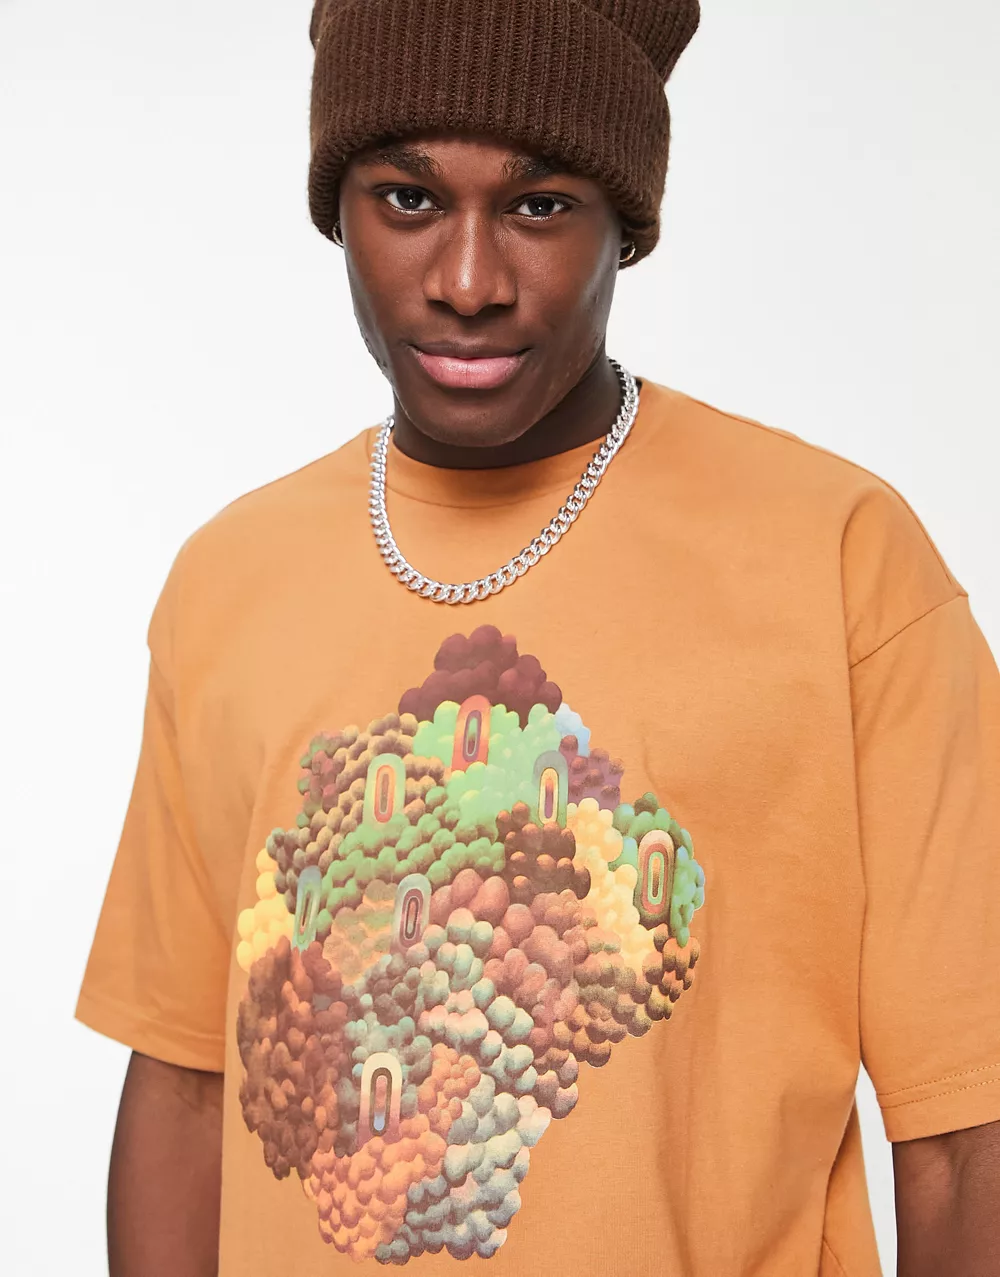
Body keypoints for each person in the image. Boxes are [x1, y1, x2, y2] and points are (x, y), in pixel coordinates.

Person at [76, 2, 1000, 1274]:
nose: (468, 281)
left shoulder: (838, 558)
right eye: (407, 199)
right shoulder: (228, 577)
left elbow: (965, 1132)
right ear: (337, 208)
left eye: (541, 205)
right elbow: (186, 1085)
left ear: (627, 220)